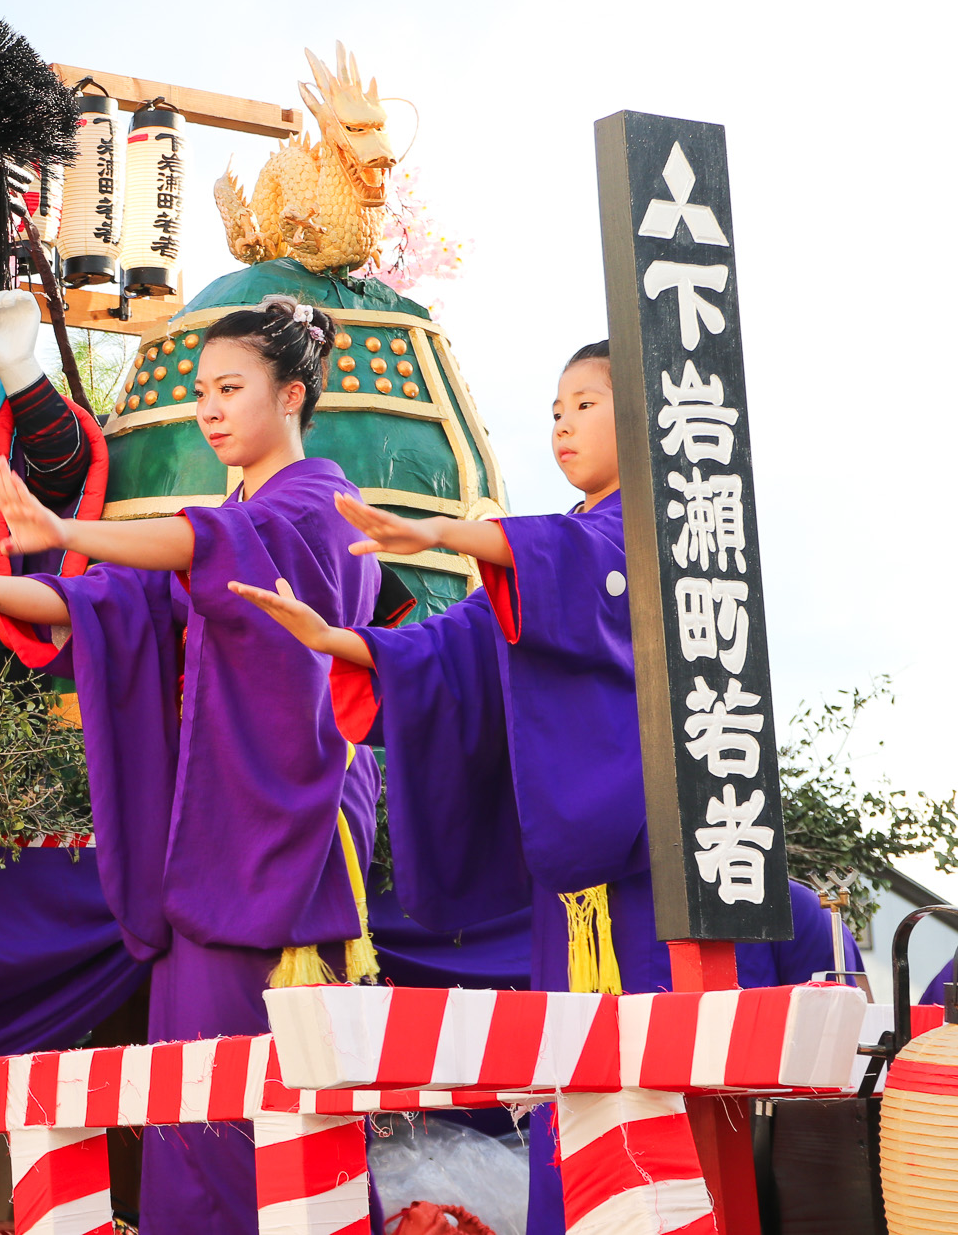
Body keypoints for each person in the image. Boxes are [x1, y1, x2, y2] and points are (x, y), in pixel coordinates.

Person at [234, 339, 853, 1235]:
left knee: (659, 1090)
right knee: (577, 1088)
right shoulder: (549, 556)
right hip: (576, 900)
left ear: (643, 422)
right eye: (556, 408)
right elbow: (459, 644)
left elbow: (570, 558)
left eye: (586, 403)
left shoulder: (658, 534)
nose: (561, 422)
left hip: (659, 877)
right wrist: (348, 644)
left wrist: (450, 532)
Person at [0, 294, 381, 1235]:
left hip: (284, 827)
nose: (210, 408)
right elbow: (111, 603)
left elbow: (200, 549)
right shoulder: (229, 519)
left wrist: (64, 533)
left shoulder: (317, 503)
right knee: (193, 1092)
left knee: (262, 1101)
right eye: (201, 391)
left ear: (293, 394)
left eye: (232, 388)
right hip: (215, 829)